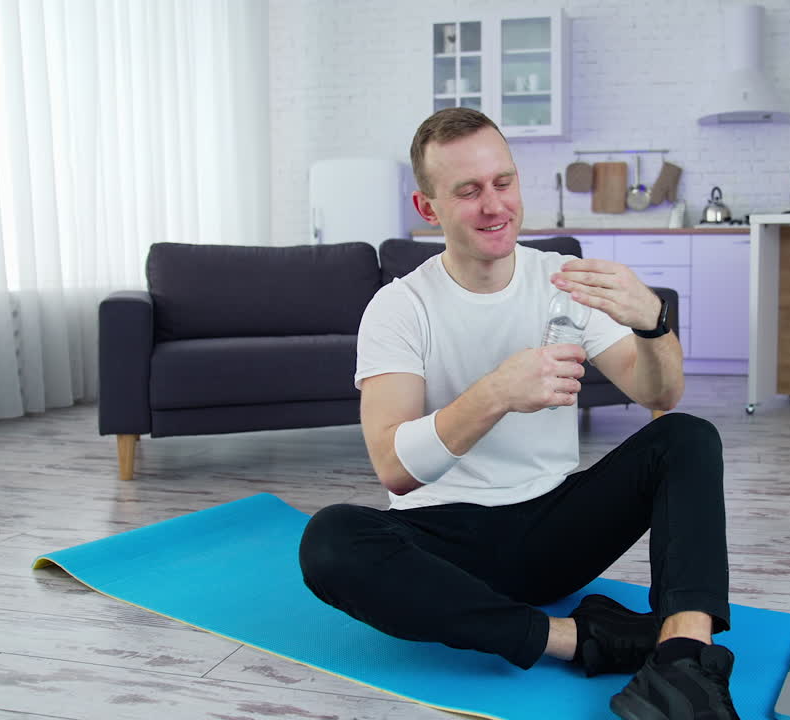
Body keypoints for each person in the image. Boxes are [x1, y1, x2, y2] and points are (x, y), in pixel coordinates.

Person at [298, 107, 738, 720]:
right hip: (445, 544)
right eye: (468, 191)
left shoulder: (564, 281)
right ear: (428, 208)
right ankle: (579, 639)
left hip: (556, 527)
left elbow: (660, 396)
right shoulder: (399, 307)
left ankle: (683, 658)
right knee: (329, 541)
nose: (494, 205)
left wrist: (653, 323)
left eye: (502, 182)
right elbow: (394, 468)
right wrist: (497, 392)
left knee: (687, 437)